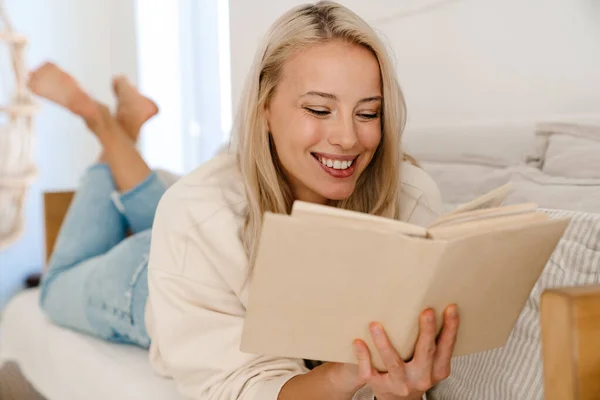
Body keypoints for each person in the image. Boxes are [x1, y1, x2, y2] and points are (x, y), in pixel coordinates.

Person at [145, 2, 459, 400]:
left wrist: (402, 389)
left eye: (368, 113)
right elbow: (233, 386)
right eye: (319, 109)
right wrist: (342, 376)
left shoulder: (412, 199)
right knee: (70, 279)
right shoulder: (197, 218)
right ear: (264, 109)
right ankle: (108, 131)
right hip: (150, 286)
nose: (348, 138)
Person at [31, 61, 174, 348]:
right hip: (152, 278)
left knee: (171, 229)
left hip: (185, 239)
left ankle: (117, 127)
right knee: (55, 286)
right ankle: (105, 122)